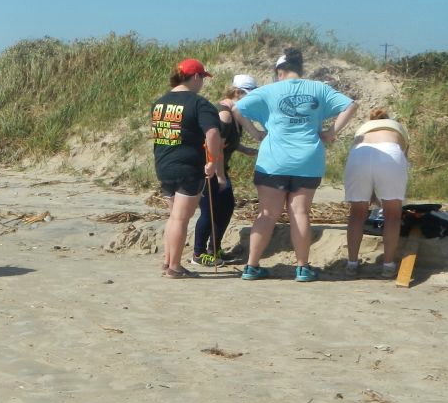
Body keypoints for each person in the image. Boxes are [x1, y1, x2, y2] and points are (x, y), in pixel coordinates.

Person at [234, 48, 357, 282]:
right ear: (300, 70)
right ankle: (302, 268)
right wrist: (332, 132)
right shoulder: (318, 88)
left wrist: (256, 134)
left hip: (273, 160)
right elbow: (350, 105)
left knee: (267, 214)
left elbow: (237, 109)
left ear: (280, 71)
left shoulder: (269, 90)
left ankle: (251, 266)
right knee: (300, 213)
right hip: (307, 160)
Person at [150, 58, 225, 279]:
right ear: (195, 77)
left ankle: (167, 261)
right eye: (202, 77)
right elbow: (212, 133)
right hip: (188, 167)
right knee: (180, 218)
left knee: (173, 216)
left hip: (163, 164)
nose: (202, 82)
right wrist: (212, 161)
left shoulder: (160, 102)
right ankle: (174, 266)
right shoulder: (198, 103)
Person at [191, 76, 261, 265]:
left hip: (217, 168)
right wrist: (220, 176)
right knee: (210, 210)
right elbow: (217, 146)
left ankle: (214, 249)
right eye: (248, 95)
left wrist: (244, 149)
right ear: (237, 93)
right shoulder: (225, 114)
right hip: (209, 169)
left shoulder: (235, 113)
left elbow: (228, 141)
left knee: (226, 208)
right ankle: (198, 253)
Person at [344, 108, 410, 278]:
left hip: (360, 154)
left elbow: (368, 164)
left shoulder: (364, 127)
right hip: (390, 152)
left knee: (357, 213)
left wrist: (371, 192)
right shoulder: (397, 127)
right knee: (392, 214)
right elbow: (403, 157)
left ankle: (351, 263)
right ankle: (388, 265)